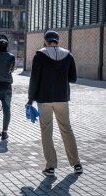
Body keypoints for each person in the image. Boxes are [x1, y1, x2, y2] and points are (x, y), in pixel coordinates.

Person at [27, 30, 82, 176]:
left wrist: (29, 100)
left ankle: (50, 167)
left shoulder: (39, 55)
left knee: (46, 131)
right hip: (62, 98)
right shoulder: (68, 55)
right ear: (58, 41)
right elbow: (73, 78)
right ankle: (76, 164)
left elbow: (34, 80)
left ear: (45, 41)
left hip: (44, 99)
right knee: (67, 129)